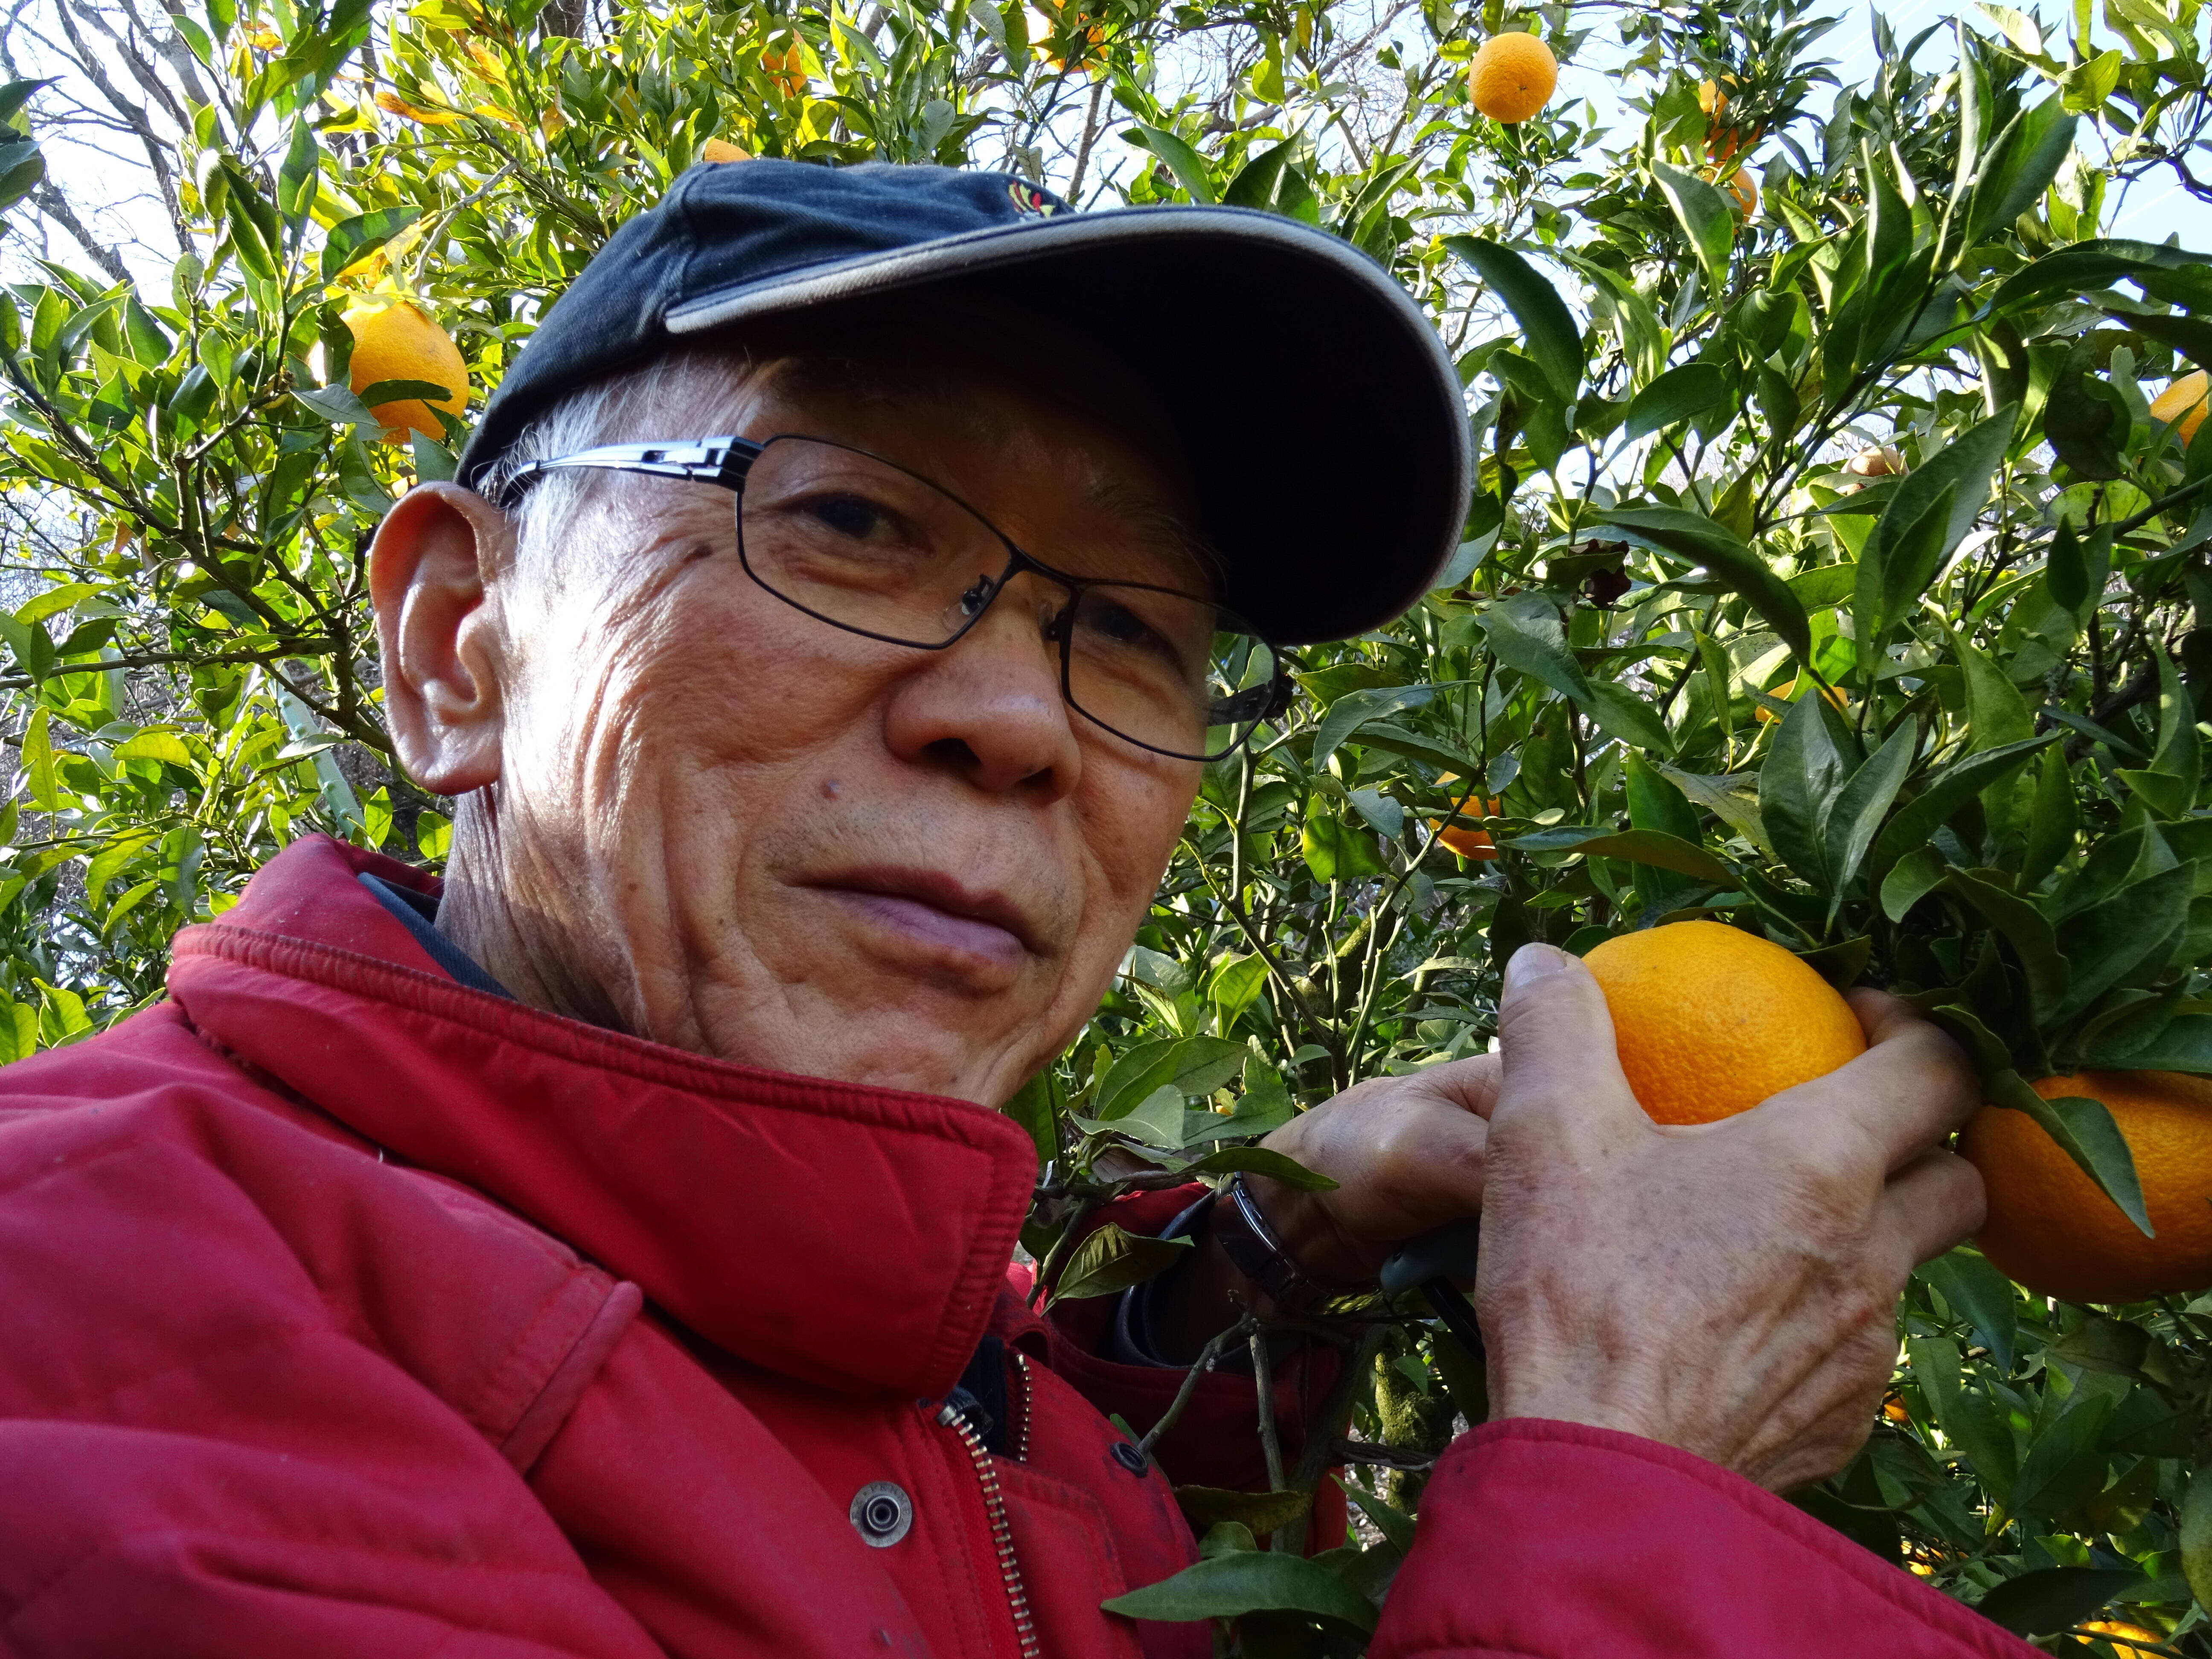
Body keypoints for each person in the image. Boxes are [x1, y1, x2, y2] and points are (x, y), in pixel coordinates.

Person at [0, 161, 2022, 1658]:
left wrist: (1247, 1270)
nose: (1014, 720)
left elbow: (883, 1501)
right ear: (461, 647)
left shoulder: (856, 1307)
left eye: (1135, 633)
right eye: (854, 522)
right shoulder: (90, 1303)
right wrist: (1640, 1478)